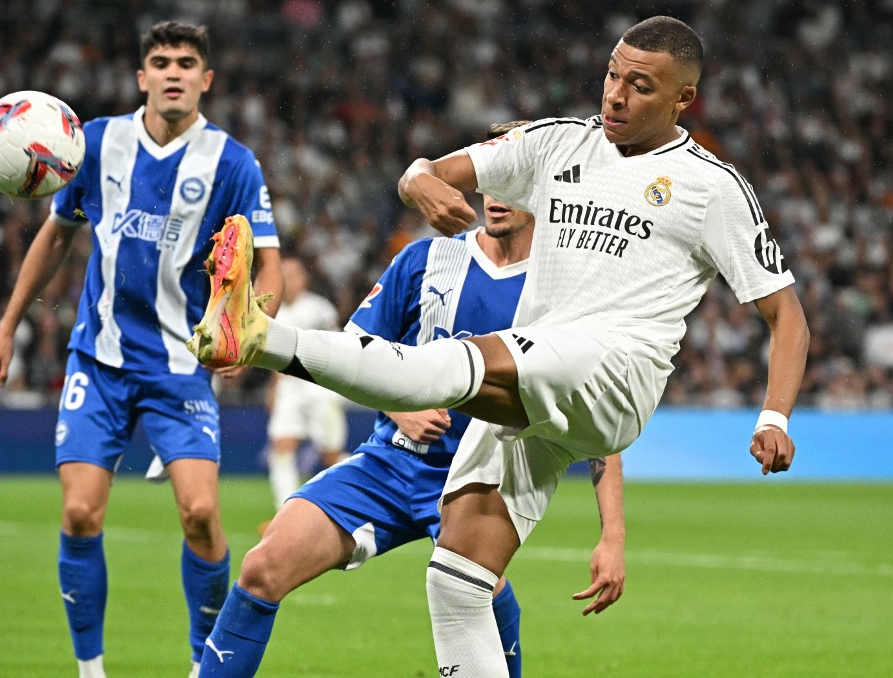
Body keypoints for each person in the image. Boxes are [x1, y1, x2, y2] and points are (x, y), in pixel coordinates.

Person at [189, 16, 809, 675]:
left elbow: (786, 312)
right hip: (538, 375)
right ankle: (256, 336)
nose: (616, 95)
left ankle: (256, 336)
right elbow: (440, 169)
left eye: (640, 85)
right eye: (611, 75)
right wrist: (418, 177)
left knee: (461, 362)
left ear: (684, 98)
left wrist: (774, 414)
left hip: (617, 372)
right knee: (457, 580)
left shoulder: (711, 188)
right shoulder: (558, 145)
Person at [195, 128, 627, 675]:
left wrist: (612, 536)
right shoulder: (426, 260)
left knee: (482, 595)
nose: (494, 194)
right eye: (487, 180)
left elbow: (598, 422)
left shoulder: (563, 295)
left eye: (512, 180)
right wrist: (400, 405)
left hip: (479, 481)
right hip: (389, 462)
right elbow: (350, 354)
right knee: (262, 567)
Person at [0, 20, 283, 678]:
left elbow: (271, 272)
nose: (173, 72)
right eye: (161, 61)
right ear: (142, 76)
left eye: (187, 62)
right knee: (81, 510)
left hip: (179, 369)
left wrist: (245, 330)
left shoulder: (232, 162)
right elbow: (56, 236)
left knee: (202, 515)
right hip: (100, 361)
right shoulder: (96, 143)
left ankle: (206, 663)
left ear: (207, 79)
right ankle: (92, 671)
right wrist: (5, 328)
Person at [264, 256, 347, 507]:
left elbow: (340, 349)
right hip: (289, 390)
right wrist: (273, 390)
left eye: (292, 276)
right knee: (281, 446)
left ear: (304, 279)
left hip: (319, 387)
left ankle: (360, 497)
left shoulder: (319, 309)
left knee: (330, 455)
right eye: (283, 276)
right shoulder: (273, 311)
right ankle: (285, 510)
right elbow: (275, 357)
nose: (287, 282)